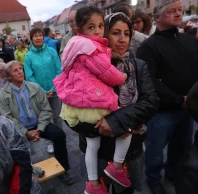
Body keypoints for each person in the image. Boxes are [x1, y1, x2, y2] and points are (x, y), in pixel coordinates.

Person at [70, 12, 159, 194]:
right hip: (98, 151)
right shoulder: (86, 64)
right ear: (104, 35)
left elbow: (150, 102)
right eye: (116, 32)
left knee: (125, 191)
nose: (122, 39)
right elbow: (70, 107)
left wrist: (117, 122)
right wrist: (96, 128)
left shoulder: (138, 66)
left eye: (127, 33)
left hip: (129, 152)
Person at [54, 7, 131, 194]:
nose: (97, 31)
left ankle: (93, 184)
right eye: (91, 27)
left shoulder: (73, 44)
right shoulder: (90, 47)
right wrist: (122, 77)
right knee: (126, 130)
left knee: (92, 143)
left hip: (77, 102)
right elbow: (107, 72)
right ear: (80, 30)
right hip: (92, 102)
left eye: (100, 26)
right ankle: (117, 166)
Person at [136, 0, 198, 193]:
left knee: (182, 146)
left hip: (188, 109)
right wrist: (179, 99)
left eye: (180, 10)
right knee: (155, 150)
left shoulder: (190, 40)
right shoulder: (148, 47)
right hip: (161, 111)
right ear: (157, 17)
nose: (178, 14)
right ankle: (153, 179)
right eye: (172, 11)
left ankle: (173, 171)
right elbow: (150, 82)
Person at [0, 61, 74, 185]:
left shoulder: (34, 87)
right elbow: (7, 118)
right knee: (13, 150)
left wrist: (39, 129)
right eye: (15, 70)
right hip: (19, 129)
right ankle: (24, 176)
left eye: (20, 69)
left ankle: (63, 169)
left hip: (38, 124)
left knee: (59, 135)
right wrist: (25, 132)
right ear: (9, 76)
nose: (20, 72)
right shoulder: (3, 94)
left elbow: (46, 109)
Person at [24, 27, 63, 129]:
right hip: (39, 94)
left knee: (58, 116)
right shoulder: (28, 56)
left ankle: (61, 142)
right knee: (44, 119)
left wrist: (53, 88)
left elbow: (59, 70)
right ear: (31, 39)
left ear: (43, 37)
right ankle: (50, 142)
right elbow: (29, 76)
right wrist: (42, 91)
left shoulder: (51, 52)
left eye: (40, 35)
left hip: (54, 91)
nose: (38, 38)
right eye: (35, 36)